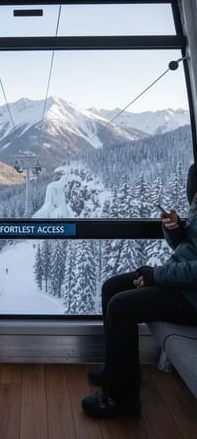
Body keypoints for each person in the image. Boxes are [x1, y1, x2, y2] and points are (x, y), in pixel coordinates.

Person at [82, 164, 197, 419]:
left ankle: (121, 401)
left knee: (121, 307)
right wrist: (175, 229)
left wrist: (156, 276)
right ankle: (118, 370)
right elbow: (189, 247)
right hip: (182, 285)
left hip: (190, 298)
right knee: (111, 288)